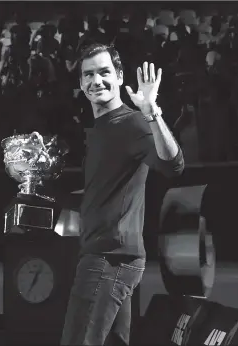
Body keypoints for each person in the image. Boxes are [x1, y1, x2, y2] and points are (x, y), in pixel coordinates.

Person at [60, 43, 185, 346]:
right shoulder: (102, 127)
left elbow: (174, 164)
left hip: (109, 258)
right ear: (81, 84)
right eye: (88, 75)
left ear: (118, 75)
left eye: (104, 72)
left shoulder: (133, 123)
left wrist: (152, 113)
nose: (96, 81)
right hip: (108, 255)